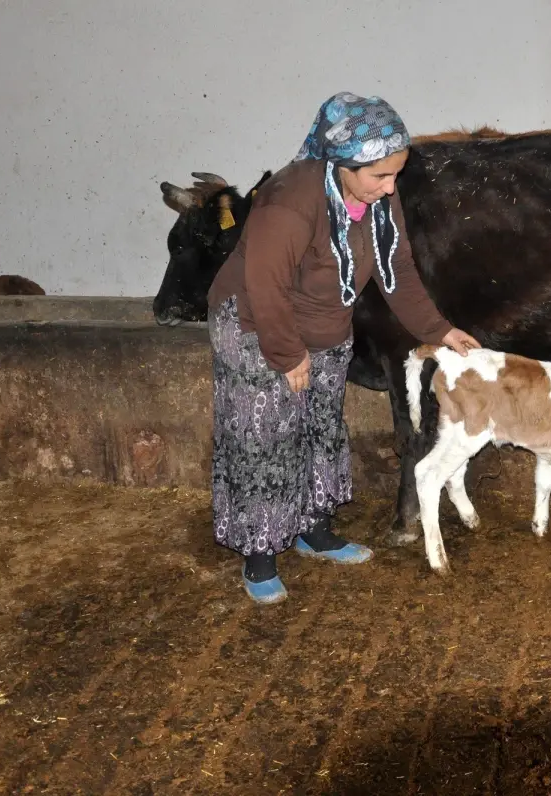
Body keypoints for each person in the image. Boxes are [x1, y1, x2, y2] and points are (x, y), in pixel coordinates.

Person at [206, 92, 481, 604]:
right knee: (265, 438)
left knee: (321, 427)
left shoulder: (378, 200)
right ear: (341, 162)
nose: (390, 186)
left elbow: (398, 270)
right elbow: (266, 285)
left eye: (396, 174)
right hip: (257, 326)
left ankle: (314, 529)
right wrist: (287, 354)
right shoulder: (289, 201)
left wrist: (439, 330)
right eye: (380, 175)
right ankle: (260, 554)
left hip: (324, 324)